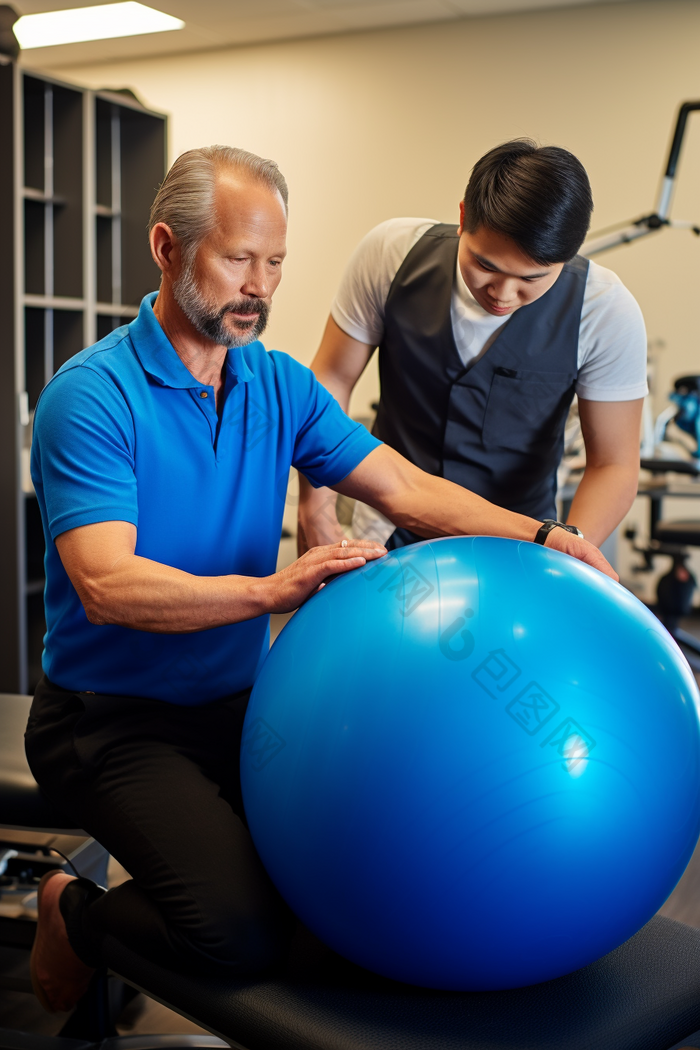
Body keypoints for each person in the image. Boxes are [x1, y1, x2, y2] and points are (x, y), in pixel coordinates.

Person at [26, 145, 614, 1014]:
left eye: (274, 263)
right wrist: (270, 592)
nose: (257, 286)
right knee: (241, 933)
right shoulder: (93, 396)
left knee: (359, 879)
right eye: (236, 258)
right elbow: (107, 584)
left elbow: (405, 489)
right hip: (112, 723)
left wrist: (545, 535)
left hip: (241, 706)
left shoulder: (277, 385)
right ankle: (72, 913)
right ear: (166, 247)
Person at [297, 139, 647, 554]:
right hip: (385, 526)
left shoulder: (604, 309)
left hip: (523, 540)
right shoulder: (390, 254)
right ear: (463, 217)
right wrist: (315, 509)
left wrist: (565, 553)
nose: (502, 293)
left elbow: (613, 465)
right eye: (485, 265)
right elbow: (331, 380)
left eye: (531, 279)